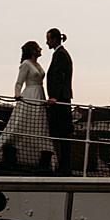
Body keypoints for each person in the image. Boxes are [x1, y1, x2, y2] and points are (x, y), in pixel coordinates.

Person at [0, 41, 47, 168]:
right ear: (32, 50)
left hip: (40, 94)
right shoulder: (26, 64)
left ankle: (36, 157)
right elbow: (19, 82)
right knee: (23, 122)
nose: (41, 49)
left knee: (38, 123)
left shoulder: (38, 64)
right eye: (38, 47)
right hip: (30, 94)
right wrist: (17, 93)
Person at [44, 28, 75, 172]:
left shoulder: (60, 54)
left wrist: (54, 97)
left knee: (62, 132)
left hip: (61, 99)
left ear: (55, 39)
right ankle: (63, 164)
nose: (46, 42)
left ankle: (65, 166)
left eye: (48, 39)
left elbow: (59, 76)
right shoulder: (61, 54)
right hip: (62, 97)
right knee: (62, 132)